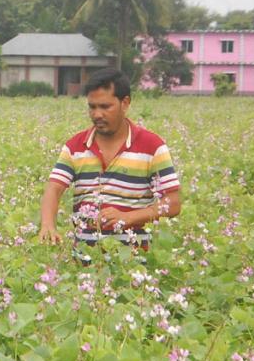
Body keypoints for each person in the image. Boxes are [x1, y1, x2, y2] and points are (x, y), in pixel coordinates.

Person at [38, 68, 182, 264]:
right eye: (92, 107)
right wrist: (48, 224)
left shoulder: (152, 146)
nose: (97, 114)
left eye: (105, 106)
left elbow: (173, 203)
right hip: (83, 263)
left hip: (133, 263)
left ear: (125, 103)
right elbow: (54, 189)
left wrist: (129, 217)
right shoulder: (75, 147)